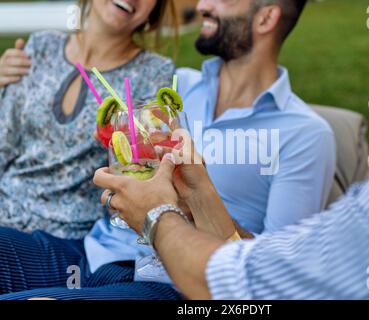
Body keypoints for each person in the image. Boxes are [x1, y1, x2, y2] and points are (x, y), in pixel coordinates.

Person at [93, 0, 369, 299]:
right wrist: (196, 194)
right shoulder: (179, 84)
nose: (201, 4)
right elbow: (267, 262)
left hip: (175, 286)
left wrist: (157, 215)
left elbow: (258, 285)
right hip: (111, 256)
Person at [0, 0, 337, 299]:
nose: (202, 5)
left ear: (265, 19)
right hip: (90, 253)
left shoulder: (304, 135)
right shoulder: (174, 86)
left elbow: (275, 274)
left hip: (167, 280)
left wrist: (193, 209)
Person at [0, 0, 183, 300]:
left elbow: (136, 184)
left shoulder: (153, 74)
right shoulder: (40, 46)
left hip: (67, 240)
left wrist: (135, 151)